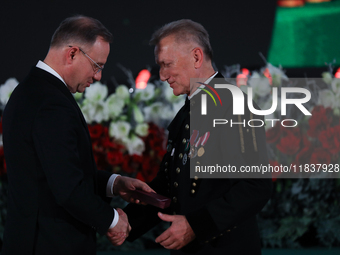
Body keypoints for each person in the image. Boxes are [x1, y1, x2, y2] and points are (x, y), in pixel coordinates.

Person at [1, 15, 153, 255]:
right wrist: (113, 221)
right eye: (97, 66)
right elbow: (68, 187)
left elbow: (53, 173)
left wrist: (115, 184)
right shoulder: (51, 102)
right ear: (72, 53)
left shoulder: (32, 91)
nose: (99, 76)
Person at [123, 19, 272, 254]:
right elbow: (170, 187)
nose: (162, 75)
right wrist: (122, 223)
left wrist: (196, 226)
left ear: (196, 57)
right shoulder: (189, 110)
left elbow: (255, 186)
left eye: (167, 64)